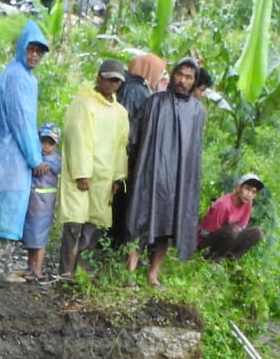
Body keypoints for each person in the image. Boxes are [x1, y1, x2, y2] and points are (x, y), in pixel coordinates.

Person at [0, 20, 51, 282]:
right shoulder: (18, 78)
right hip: (11, 157)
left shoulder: (20, 75)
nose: (34, 55)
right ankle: (0, 271)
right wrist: (35, 158)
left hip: (4, 153)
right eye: (31, 49)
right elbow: (22, 122)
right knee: (7, 212)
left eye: (39, 51)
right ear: (22, 48)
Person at [124, 58, 207, 289]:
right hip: (151, 174)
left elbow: (194, 151)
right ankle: (130, 274)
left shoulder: (198, 112)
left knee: (167, 226)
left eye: (189, 77)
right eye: (180, 74)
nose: (182, 80)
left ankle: (153, 275)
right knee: (141, 221)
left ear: (194, 81)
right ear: (173, 75)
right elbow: (136, 137)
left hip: (178, 180)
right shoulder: (155, 102)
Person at [57, 58, 130, 279]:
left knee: (95, 224)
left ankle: (81, 272)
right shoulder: (83, 104)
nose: (113, 85)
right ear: (99, 78)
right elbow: (78, 139)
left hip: (105, 177)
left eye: (117, 81)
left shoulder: (120, 112)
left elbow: (120, 145)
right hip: (83, 176)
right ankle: (65, 272)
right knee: (75, 224)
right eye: (109, 79)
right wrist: (82, 173)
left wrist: (118, 177)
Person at [110, 53, 166, 258]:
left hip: (120, 150)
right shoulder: (138, 90)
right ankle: (115, 245)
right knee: (121, 199)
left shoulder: (128, 85)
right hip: (127, 152)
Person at [23, 123, 61, 281]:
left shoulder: (54, 160)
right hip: (33, 202)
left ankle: (37, 269)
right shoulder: (36, 156)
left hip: (44, 204)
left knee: (40, 236)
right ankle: (30, 266)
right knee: (32, 235)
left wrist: (40, 164)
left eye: (50, 142)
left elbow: (46, 168)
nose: (46, 146)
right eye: (43, 141)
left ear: (56, 144)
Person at [197, 172, 265, 259]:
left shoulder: (248, 203)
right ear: (238, 187)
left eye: (253, 192)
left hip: (228, 238)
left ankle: (230, 259)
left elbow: (241, 227)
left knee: (257, 233)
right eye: (247, 189)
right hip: (206, 240)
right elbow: (205, 232)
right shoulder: (223, 205)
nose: (249, 194)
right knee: (233, 230)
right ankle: (213, 258)